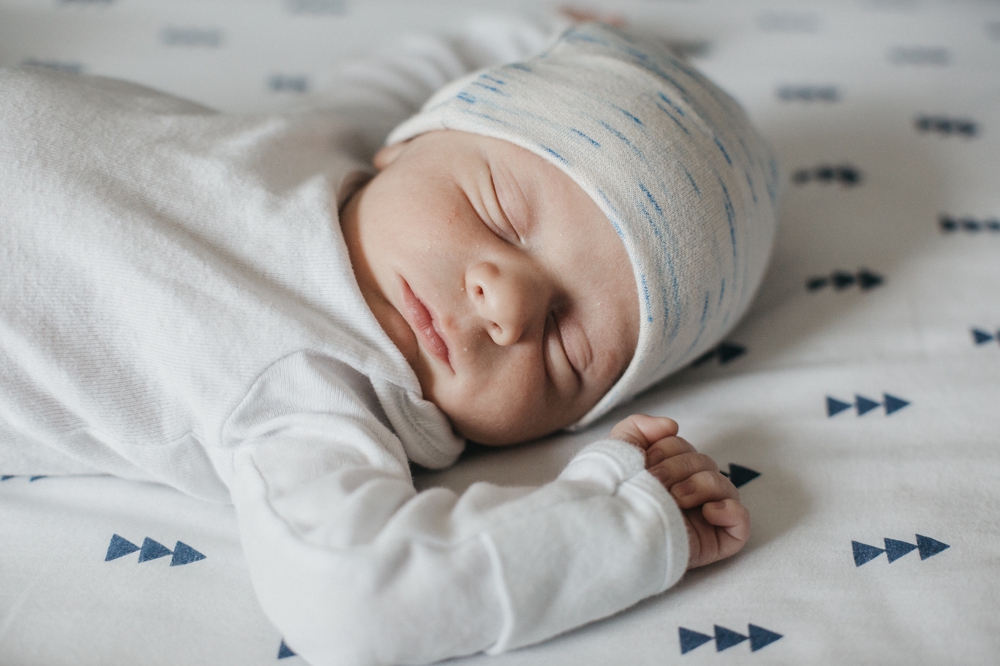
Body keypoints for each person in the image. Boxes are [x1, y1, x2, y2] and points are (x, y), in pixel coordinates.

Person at [0, 16, 778, 666]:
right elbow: (423, 68)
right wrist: (549, 25)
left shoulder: (308, 391)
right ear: (408, 146)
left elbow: (352, 597)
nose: (504, 305)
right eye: (500, 211)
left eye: (567, 347)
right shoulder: (328, 139)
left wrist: (623, 521)